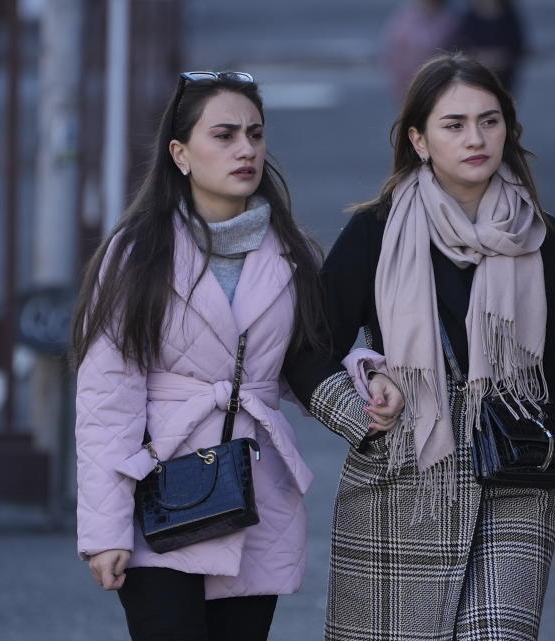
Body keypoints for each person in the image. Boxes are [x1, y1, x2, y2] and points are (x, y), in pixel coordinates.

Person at [71, 71, 403, 641]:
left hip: (255, 497)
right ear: (181, 153)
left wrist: (369, 374)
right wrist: (104, 531)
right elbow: (106, 400)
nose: (245, 149)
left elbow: (307, 360)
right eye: (223, 135)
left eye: (254, 133)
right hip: (160, 495)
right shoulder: (136, 254)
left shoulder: (291, 251)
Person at [285, 54, 555, 640]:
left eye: (489, 121)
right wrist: (364, 413)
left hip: (517, 480)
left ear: (508, 129)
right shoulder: (376, 231)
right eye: (453, 124)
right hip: (401, 488)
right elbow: (308, 349)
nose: (475, 138)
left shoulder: (544, 239)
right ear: (420, 139)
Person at [380, 0, 458, 101]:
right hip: (410, 85)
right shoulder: (404, 20)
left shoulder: (453, 20)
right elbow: (392, 58)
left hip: (443, 85)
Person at [451, 0, 528, 96]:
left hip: (504, 77)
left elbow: (518, 46)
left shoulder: (509, 16)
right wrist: (478, 57)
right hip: (475, 76)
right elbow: (460, 46)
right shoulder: (468, 17)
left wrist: (501, 57)